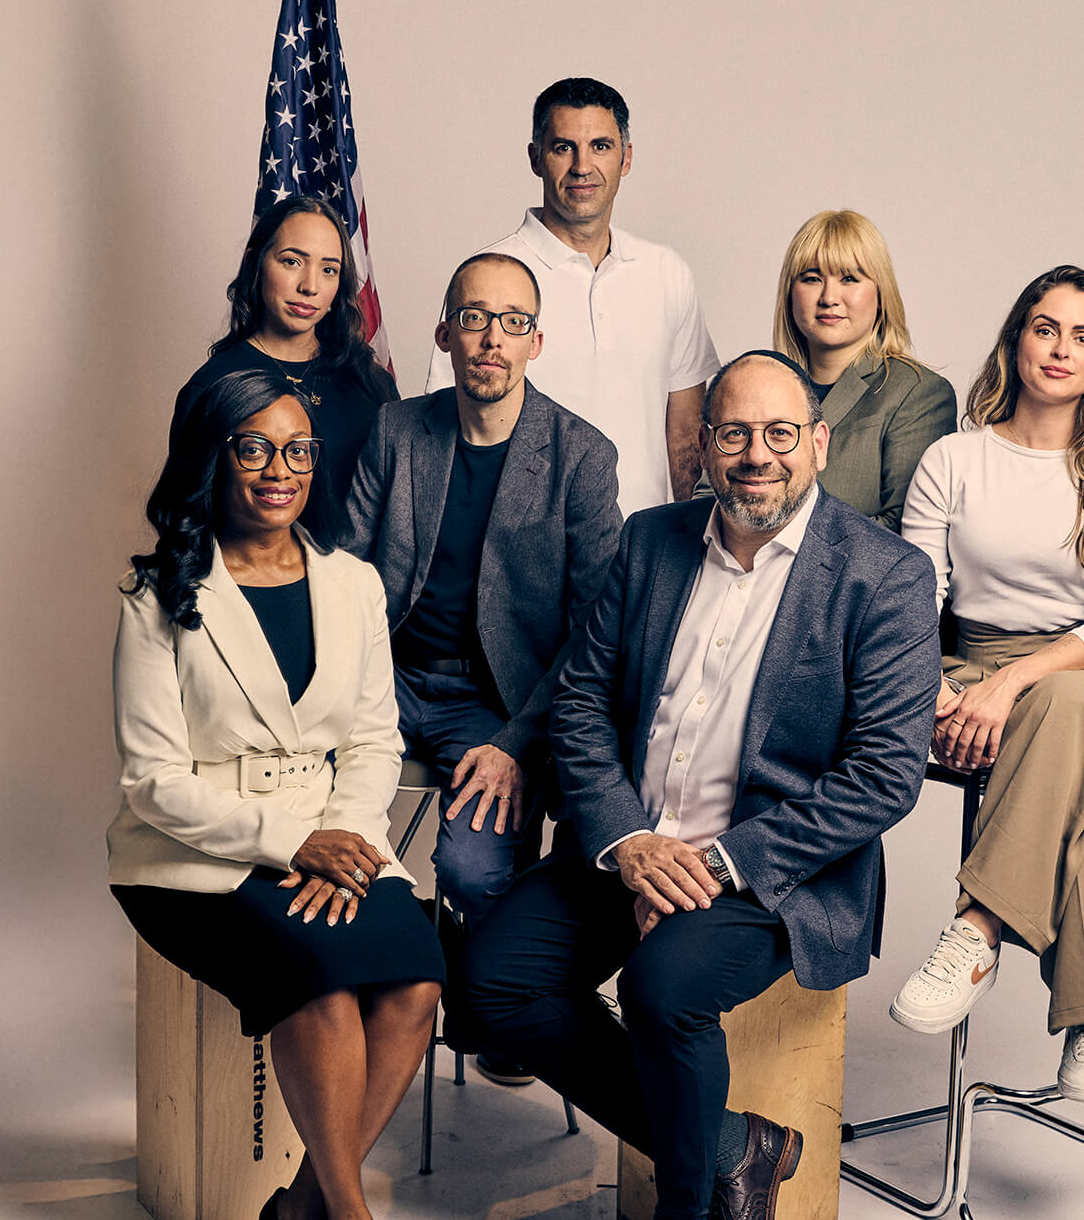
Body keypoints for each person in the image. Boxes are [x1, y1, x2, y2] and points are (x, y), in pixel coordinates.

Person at [458, 351, 939, 1220]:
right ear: (704, 448)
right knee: (489, 983)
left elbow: (884, 774)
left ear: (819, 443)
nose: (754, 455)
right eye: (732, 433)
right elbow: (582, 701)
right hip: (634, 842)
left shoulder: (883, 574)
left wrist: (715, 864)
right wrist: (631, 840)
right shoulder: (651, 543)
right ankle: (735, 1146)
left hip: (773, 869)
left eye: (777, 434)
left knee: (664, 988)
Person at [108, 370, 442, 1220]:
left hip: (334, 834)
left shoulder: (353, 581)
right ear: (212, 457)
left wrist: (338, 838)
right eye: (252, 447)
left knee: (417, 980)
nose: (278, 470)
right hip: (191, 859)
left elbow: (376, 739)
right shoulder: (156, 591)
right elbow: (151, 781)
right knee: (324, 987)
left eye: (297, 450)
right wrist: (289, 842)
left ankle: (300, 1208)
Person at [893, 265, 1084, 1106]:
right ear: (1017, 341)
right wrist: (934, 687)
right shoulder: (955, 458)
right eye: (1045, 328)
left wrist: (1011, 683)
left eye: (1083, 336)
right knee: (1081, 801)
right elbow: (916, 598)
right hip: (974, 663)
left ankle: (977, 927)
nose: (1061, 348)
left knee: (1056, 709)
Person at [343, 252, 622, 933]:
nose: (492, 338)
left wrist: (520, 742)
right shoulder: (398, 430)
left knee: (472, 872)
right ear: (446, 335)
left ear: (536, 341)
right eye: (474, 318)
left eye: (512, 321)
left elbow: (595, 635)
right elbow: (343, 573)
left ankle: (477, 1019)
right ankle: (367, 985)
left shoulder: (581, 457)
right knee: (300, 817)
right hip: (386, 677)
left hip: (495, 706)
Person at [425, 76, 719, 516]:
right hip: (525, 553)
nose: (583, 166)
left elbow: (684, 435)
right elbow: (444, 429)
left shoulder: (665, 272)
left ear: (626, 158)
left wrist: (673, 537)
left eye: (601, 146)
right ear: (535, 158)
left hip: (644, 544)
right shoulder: (488, 276)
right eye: (563, 147)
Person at [172, 195, 398, 545]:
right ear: (256, 262)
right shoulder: (213, 385)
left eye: (328, 270)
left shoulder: (372, 382)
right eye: (292, 261)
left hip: (362, 589)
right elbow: (186, 526)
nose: (310, 286)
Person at [772, 209, 956, 530]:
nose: (829, 297)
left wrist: (775, 547)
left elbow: (904, 527)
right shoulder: (760, 386)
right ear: (790, 292)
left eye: (849, 278)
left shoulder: (918, 393)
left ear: (880, 293)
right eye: (812, 278)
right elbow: (707, 499)